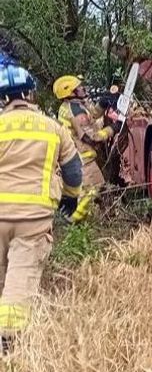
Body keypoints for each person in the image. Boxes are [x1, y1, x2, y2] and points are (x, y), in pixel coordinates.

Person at [0, 61, 82, 351]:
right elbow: (74, 171)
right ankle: (9, 346)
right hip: (33, 222)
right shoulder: (53, 128)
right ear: (31, 95)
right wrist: (71, 198)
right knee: (19, 285)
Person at [53, 75, 119, 223]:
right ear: (71, 92)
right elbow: (92, 137)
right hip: (83, 158)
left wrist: (103, 103)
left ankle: (105, 217)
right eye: (79, 87)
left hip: (76, 156)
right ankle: (72, 219)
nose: (83, 88)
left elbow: (92, 115)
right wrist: (113, 128)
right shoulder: (75, 111)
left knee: (94, 188)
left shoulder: (72, 106)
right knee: (92, 190)